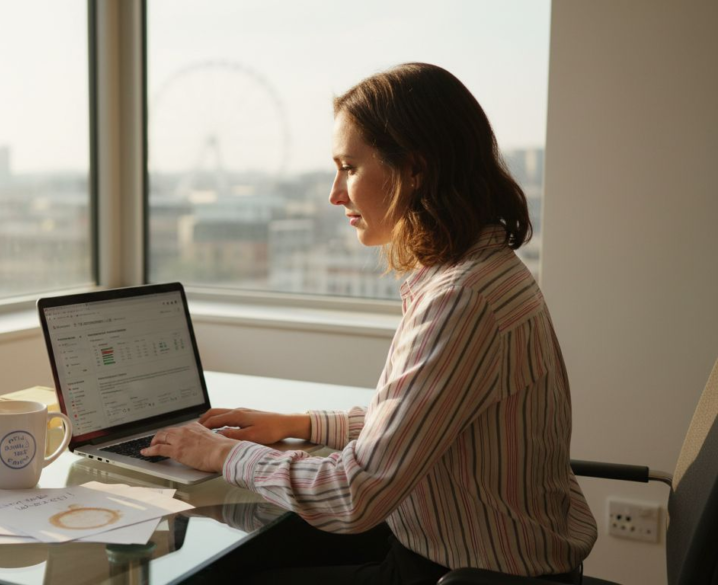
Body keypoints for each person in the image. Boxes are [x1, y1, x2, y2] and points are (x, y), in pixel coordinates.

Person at [140, 62, 598, 584]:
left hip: (461, 574)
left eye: (349, 168)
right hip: (465, 552)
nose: (335, 194)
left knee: (223, 570)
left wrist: (222, 453)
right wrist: (299, 425)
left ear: (415, 170)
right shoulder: (482, 271)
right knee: (255, 541)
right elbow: (418, 426)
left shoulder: (461, 299)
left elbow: (355, 496)